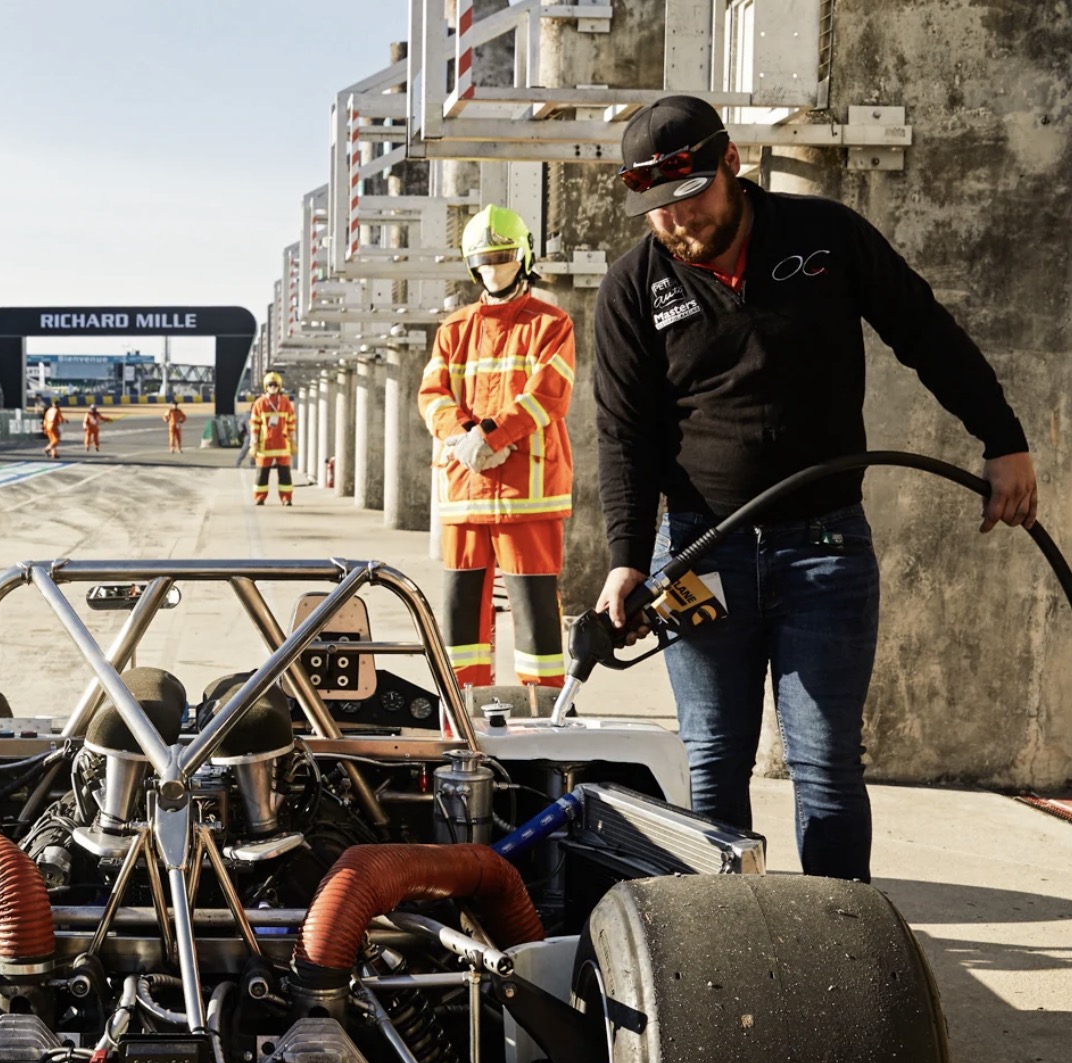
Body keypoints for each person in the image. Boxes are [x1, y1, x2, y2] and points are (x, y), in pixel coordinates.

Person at [592, 94, 1036, 881]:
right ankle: (721, 964)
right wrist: (628, 558)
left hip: (825, 552)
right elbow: (624, 436)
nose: (680, 223)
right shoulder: (634, 288)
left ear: (732, 163)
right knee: (713, 766)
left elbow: (925, 332)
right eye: (660, 212)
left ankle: (840, 954)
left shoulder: (825, 237)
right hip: (701, 555)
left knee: (826, 767)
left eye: (692, 198)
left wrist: (1003, 440)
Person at [417, 205, 575, 691]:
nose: (494, 267)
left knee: (535, 617)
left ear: (523, 256)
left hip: (525, 494)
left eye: (503, 256)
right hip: (466, 489)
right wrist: (464, 438)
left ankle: (542, 714)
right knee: (461, 616)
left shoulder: (551, 323)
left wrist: (489, 436)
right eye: (484, 258)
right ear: (471, 263)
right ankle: (463, 710)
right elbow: (431, 395)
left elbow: (550, 392)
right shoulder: (453, 329)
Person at [248, 371, 297, 506]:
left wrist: (293, 440)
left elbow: (291, 422)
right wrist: (253, 442)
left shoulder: (285, 402)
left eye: (275, 384)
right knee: (262, 473)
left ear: (279, 386)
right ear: (266, 386)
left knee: (285, 474)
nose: (273, 387)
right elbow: (254, 424)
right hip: (265, 444)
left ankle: (286, 498)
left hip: (282, 444)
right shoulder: (259, 403)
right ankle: (260, 497)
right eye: (270, 384)